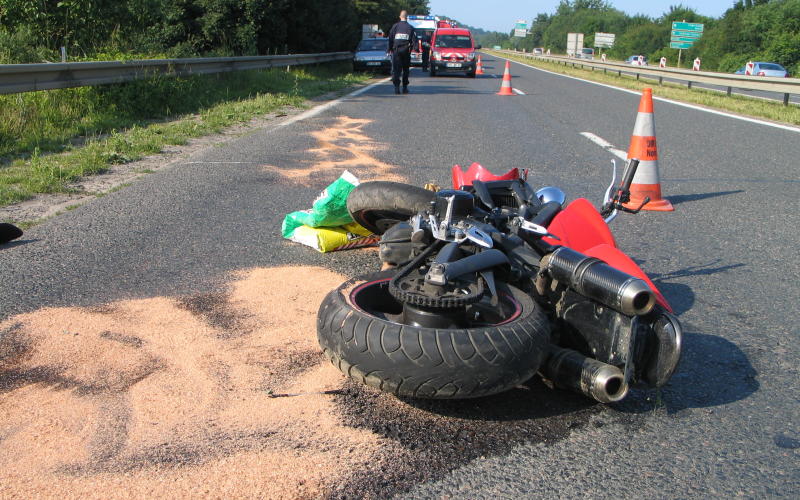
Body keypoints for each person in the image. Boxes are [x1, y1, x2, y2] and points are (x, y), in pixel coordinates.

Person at [387, 10, 416, 94]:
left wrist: (389, 49)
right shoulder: (410, 27)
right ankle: (404, 87)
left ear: (400, 17)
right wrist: (416, 49)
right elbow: (414, 41)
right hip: (406, 51)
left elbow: (390, 39)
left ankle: (396, 88)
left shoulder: (395, 27)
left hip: (396, 51)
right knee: (405, 70)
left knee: (396, 70)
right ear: (407, 18)